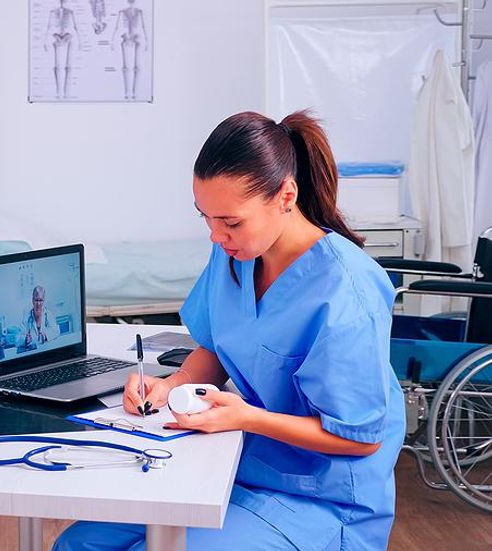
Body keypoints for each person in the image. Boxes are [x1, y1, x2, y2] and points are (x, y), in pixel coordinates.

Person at [53, 111, 405, 550]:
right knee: (77, 545)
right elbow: (220, 344)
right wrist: (173, 383)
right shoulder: (236, 255)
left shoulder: (346, 290)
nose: (216, 236)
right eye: (206, 217)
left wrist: (245, 417)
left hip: (323, 498)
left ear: (285, 196)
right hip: (239, 464)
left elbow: (361, 440)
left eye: (231, 222)